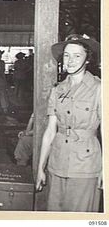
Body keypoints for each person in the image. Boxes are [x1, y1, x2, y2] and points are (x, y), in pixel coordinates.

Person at [36, 34, 102, 212]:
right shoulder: (58, 90)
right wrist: (41, 168)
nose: (70, 61)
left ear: (87, 59)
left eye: (77, 56)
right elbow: (50, 131)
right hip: (57, 163)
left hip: (85, 164)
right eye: (66, 55)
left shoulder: (99, 88)